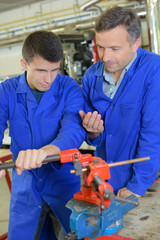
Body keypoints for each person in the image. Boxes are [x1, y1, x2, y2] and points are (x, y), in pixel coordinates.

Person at [0, 30, 86, 240]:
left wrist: (46, 152)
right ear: (24, 63)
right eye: (41, 70)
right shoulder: (6, 91)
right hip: (26, 185)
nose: (49, 79)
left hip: (65, 183)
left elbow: (73, 128)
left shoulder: (68, 88)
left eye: (54, 70)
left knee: (75, 234)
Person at [79, 6, 160, 199]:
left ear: (135, 44)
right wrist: (93, 133)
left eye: (115, 49)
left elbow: (153, 133)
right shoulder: (92, 75)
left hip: (144, 180)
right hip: (104, 177)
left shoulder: (154, 70)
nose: (105, 57)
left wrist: (138, 185)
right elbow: (95, 136)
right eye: (101, 47)